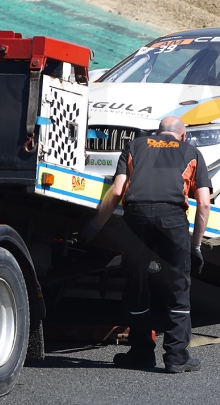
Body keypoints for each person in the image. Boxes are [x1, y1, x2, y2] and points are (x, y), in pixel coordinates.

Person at [83, 116, 212, 372]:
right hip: (172, 219)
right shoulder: (192, 151)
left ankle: (141, 353)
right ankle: (176, 357)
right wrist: (196, 245)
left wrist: (94, 226)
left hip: (136, 218)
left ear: (156, 133)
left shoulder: (135, 146)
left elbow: (118, 191)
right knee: (178, 287)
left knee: (136, 285)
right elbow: (204, 204)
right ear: (182, 136)